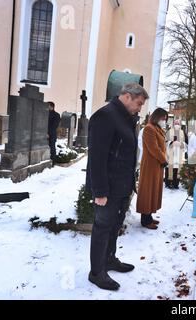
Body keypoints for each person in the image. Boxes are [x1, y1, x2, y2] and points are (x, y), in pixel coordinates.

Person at [85, 83, 147, 291]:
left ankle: (109, 259)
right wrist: (100, 191)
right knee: (102, 228)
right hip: (108, 188)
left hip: (121, 186)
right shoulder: (106, 116)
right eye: (139, 103)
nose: (140, 108)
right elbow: (97, 157)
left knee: (114, 226)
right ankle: (96, 272)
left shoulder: (125, 118)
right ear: (127, 97)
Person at [136, 108, 168, 230]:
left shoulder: (157, 128)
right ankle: (145, 220)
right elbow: (153, 148)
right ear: (157, 117)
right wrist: (163, 160)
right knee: (147, 190)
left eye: (165, 119)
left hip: (156, 165)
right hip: (150, 165)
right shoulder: (149, 128)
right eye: (163, 118)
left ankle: (148, 216)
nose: (164, 121)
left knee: (153, 190)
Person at [165, 119, 186, 189]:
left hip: (179, 153)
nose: (177, 125)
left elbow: (186, 143)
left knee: (177, 169)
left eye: (178, 124)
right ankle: (168, 183)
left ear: (180, 125)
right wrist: (171, 142)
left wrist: (181, 144)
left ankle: (176, 183)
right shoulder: (169, 132)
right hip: (171, 152)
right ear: (173, 124)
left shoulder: (183, 132)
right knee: (170, 168)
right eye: (175, 124)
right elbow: (165, 142)